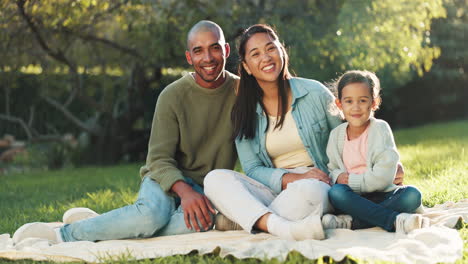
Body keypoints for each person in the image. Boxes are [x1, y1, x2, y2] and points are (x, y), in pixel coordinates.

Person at [12, 20, 238, 244]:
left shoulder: (242, 92)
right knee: (150, 218)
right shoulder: (172, 96)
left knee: (201, 221)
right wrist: (185, 192)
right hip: (165, 180)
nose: (207, 58)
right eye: (198, 51)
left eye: (215, 47)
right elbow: (158, 160)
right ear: (189, 57)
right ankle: (64, 234)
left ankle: (108, 224)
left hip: (208, 189)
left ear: (226, 50)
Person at [204, 24, 343, 241]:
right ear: (247, 67)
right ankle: (283, 227)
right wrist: (291, 178)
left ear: (282, 52)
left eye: (270, 48)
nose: (266, 58)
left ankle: (245, 218)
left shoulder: (314, 92)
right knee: (214, 179)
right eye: (256, 54)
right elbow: (252, 169)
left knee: (309, 192)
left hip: (316, 183)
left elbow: (347, 138)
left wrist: (379, 161)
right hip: (272, 187)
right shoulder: (243, 110)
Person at [322, 70, 429, 234]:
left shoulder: (380, 129)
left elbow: (383, 177)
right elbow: (332, 170)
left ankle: (352, 223)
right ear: (339, 104)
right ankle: (395, 220)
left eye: (362, 100)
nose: (356, 107)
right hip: (352, 198)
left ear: (374, 102)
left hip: (383, 195)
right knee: (336, 193)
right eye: (349, 101)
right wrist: (337, 177)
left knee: (412, 195)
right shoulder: (336, 135)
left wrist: (350, 180)